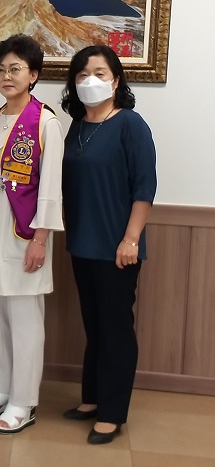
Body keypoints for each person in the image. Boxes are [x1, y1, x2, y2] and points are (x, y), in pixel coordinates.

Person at [0, 35, 64, 434]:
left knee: (24, 321)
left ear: (33, 75)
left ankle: (24, 400)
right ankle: (2, 389)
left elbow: (51, 187)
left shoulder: (45, 122)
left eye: (16, 69)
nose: (7, 76)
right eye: (0, 69)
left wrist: (40, 239)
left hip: (23, 236)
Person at [61, 44, 156, 444]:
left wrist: (131, 238)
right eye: (82, 74)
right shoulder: (76, 126)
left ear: (116, 81)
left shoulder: (131, 124)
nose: (90, 81)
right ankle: (93, 398)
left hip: (118, 247)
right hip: (82, 244)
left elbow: (144, 187)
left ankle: (112, 413)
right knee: (95, 326)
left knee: (116, 329)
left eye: (99, 73)